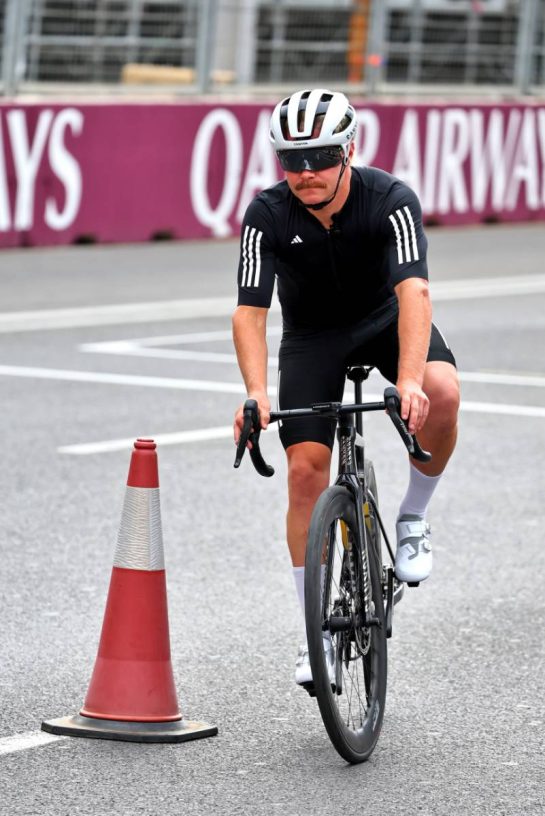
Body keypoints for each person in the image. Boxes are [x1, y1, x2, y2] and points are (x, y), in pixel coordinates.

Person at [232, 88, 460, 689]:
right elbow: (250, 311)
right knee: (306, 470)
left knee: (443, 389)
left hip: (386, 322)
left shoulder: (391, 201)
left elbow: (415, 292)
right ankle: (315, 636)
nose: (306, 173)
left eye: (322, 157)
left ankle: (412, 515)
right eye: (292, 160)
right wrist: (256, 392)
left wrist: (409, 380)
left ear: (350, 150)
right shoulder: (267, 213)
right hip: (312, 337)